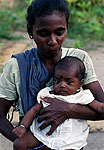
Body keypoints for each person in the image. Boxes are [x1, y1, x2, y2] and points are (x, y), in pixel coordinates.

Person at [0, 0, 104, 149]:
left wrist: (68, 110)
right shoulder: (17, 66)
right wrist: (30, 142)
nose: (53, 41)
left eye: (59, 32)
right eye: (43, 33)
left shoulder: (79, 60)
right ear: (30, 31)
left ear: (67, 27)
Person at [12, 56, 104, 150]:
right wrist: (23, 126)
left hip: (69, 141)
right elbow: (34, 110)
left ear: (80, 83)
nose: (62, 85)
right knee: (19, 144)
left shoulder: (83, 96)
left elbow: (100, 108)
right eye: (57, 80)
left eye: (69, 82)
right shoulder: (47, 94)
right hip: (42, 134)